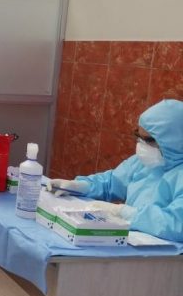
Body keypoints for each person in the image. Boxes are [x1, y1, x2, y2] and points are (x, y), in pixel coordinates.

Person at [48, 99, 183, 242]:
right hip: (133, 241)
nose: (142, 145)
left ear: (174, 141)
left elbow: (175, 225)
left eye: (148, 140)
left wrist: (122, 212)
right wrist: (80, 186)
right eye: (138, 136)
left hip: (166, 252)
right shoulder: (144, 162)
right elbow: (111, 182)